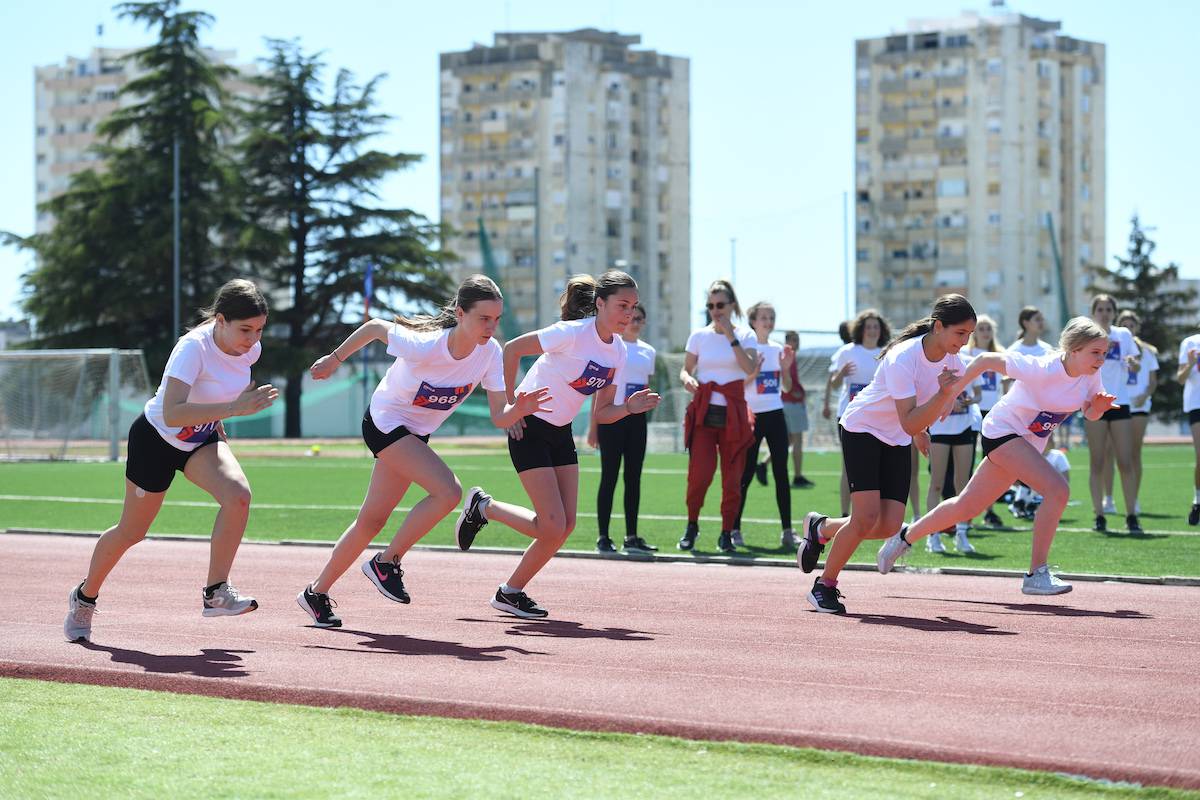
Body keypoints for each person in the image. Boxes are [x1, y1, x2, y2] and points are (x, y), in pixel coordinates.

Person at [295, 276, 550, 628]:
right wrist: (335, 359)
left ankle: (315, 592)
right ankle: (386, 563)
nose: (491, 327)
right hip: (385, 421)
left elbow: (498, 417)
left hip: (414, 434)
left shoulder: (489, 353)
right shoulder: (425, 345)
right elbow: (374, 327)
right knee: (449, 491)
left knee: (371, 521)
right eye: (483, 318)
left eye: (496, 319)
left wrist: (519, 409)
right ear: (460, 313)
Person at [64, 280, 278, 642]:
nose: (253, 340)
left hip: (200, 440)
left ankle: (216, 592)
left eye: (259, 330)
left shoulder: (248, 350)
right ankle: (85, 596)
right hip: (156, 441)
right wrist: (234, 408)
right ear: (221, 320)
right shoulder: (192, 348)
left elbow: (215, 389)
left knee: (238, 495)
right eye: (245, 330)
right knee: (132, 532)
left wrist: (220, 421)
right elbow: (173, 411)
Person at [453, 271, 660, 619]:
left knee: (564, 527)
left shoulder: (619, 353)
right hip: (529, 428)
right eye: (622, 305)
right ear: (600, 304)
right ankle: (484, 509)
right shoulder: (572, 334)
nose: (628, 314)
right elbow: (514, 348)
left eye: (634, 307)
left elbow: (604, 412)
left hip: (561, 433)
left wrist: (629, 408)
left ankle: (510, 591)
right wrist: (509, 406)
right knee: (552, 525)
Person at [877, 317, 1117, 596]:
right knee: (1057, 490)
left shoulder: (1090, 375)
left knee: (966, 507)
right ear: (1074, 350)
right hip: (1003, 431)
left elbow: (1089, 412)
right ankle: (1036, 574)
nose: (1101, 359)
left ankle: (905, 536)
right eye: (1095, 352)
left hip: (1026, 445)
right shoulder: (1041, 367)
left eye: (1104, 352)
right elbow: (984, 361)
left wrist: (1098, 409)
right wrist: (950, 394)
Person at [798, 294, 975, 614]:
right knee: (865, 517)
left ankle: (821, 529)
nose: (964, 341)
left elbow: (923, 415)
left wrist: (925, 427)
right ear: (938, 327)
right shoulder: (902, 358)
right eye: (960, 333)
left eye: (969, 335)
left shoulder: (954, 363)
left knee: (888, 525)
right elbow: (911, 418)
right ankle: (824, 586)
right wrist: (939, 399)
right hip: (862, 429)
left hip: (895, 438)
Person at [677, 279, 759, 553]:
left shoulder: (746, 335)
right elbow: (685, 369)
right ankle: (692, 525)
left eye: (720, 305)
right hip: (704, 412)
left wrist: (729, 336)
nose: (715, 310)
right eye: (711, 305)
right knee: (699, 475)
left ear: (732, 305)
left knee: (732, 479)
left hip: (734, 414)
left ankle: (727, 532)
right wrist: (688, 379)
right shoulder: (698, 336)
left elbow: (749, 368)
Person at [587, 303, 657, 554]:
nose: (635, 322)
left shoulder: (648, 352)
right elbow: (599, 389)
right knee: (609, 477)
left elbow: (646, 387)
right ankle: (603, 537)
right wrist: (593, 427)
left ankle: (631, 536)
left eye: (640, 318)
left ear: (644, 322)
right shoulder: (613, 346)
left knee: (633, 478)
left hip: (637, 421)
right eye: (632, 317)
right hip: (612, 416)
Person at [733, 302, 797, 548]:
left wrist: (785, 369)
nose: (768, 321)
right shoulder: (748, 348)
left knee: (782, 472)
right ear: (752, 321)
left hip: (775, 414)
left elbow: (787, 387)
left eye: (771, 317)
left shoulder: (778, 349)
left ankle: (787, 532)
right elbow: (739, 385)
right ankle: (734, 529)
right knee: (746, 473)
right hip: (752, 416)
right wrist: (754, 371)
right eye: (763, 317)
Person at [1086, 294, 1141, 534]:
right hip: (1094, 402)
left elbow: (1136, 363)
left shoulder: (1123, 335)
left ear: (1114, 312)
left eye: (1109, 309)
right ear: (1094, 312)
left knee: (1125, 461)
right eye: (1100, 309)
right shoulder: (1086, 335)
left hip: (1120, 402)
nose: (1105, 313)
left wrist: (1133, 362)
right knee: (1097, 461)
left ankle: (1131, 516)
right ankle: (1099, 515)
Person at [827, 311, 888, 518]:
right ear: (861, 329)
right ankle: (845, 514)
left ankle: (872, 514)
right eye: (868, 326)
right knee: (848, 467)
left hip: (877, 417)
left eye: (876, 327)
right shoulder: (847, 351)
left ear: (881, 330)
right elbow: (834, 384)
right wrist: (841, 374)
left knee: (877, 467)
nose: (872, 330)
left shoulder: (886, 353)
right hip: (849, 416)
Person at [1101, 310, 1157, 518]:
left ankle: (1133, 498)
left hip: (1138, 406)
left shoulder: (1148, 351)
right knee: (1107, 452)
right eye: (1125, 324)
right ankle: (1108, 498)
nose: (1129, 328)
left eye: (1132, 325)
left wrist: (1144, 396)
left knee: (1132, 454)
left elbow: (1151, 380)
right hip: (1119, 403)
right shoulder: (1109, 342)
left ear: (1136, 327)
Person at [966, 314, 1005, 530]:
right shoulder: (967, 353)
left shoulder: (1000, 355)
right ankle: (966, 510)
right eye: (981, 328)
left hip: (994, 411)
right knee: (968, 461)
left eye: (988, 328)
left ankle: (989, 510)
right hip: (972, 409)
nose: (985, 332)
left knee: (990, 461)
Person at [761, 330, 813, 489]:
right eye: (794, 339)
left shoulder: (786, 356)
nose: (797, 342)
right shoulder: (787, 356)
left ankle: (763, 464)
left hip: (784, 403)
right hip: (791, 403)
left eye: (797, 339)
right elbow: (787, 381)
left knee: (788, 440)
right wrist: (797, 392)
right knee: (797, 440)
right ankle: (797, 476)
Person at [1175, 325, 1200, 525]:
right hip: (1196, 404)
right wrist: (1191, 364)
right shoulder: (1190, 343)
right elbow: (1181, 379)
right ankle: (1197, 500)